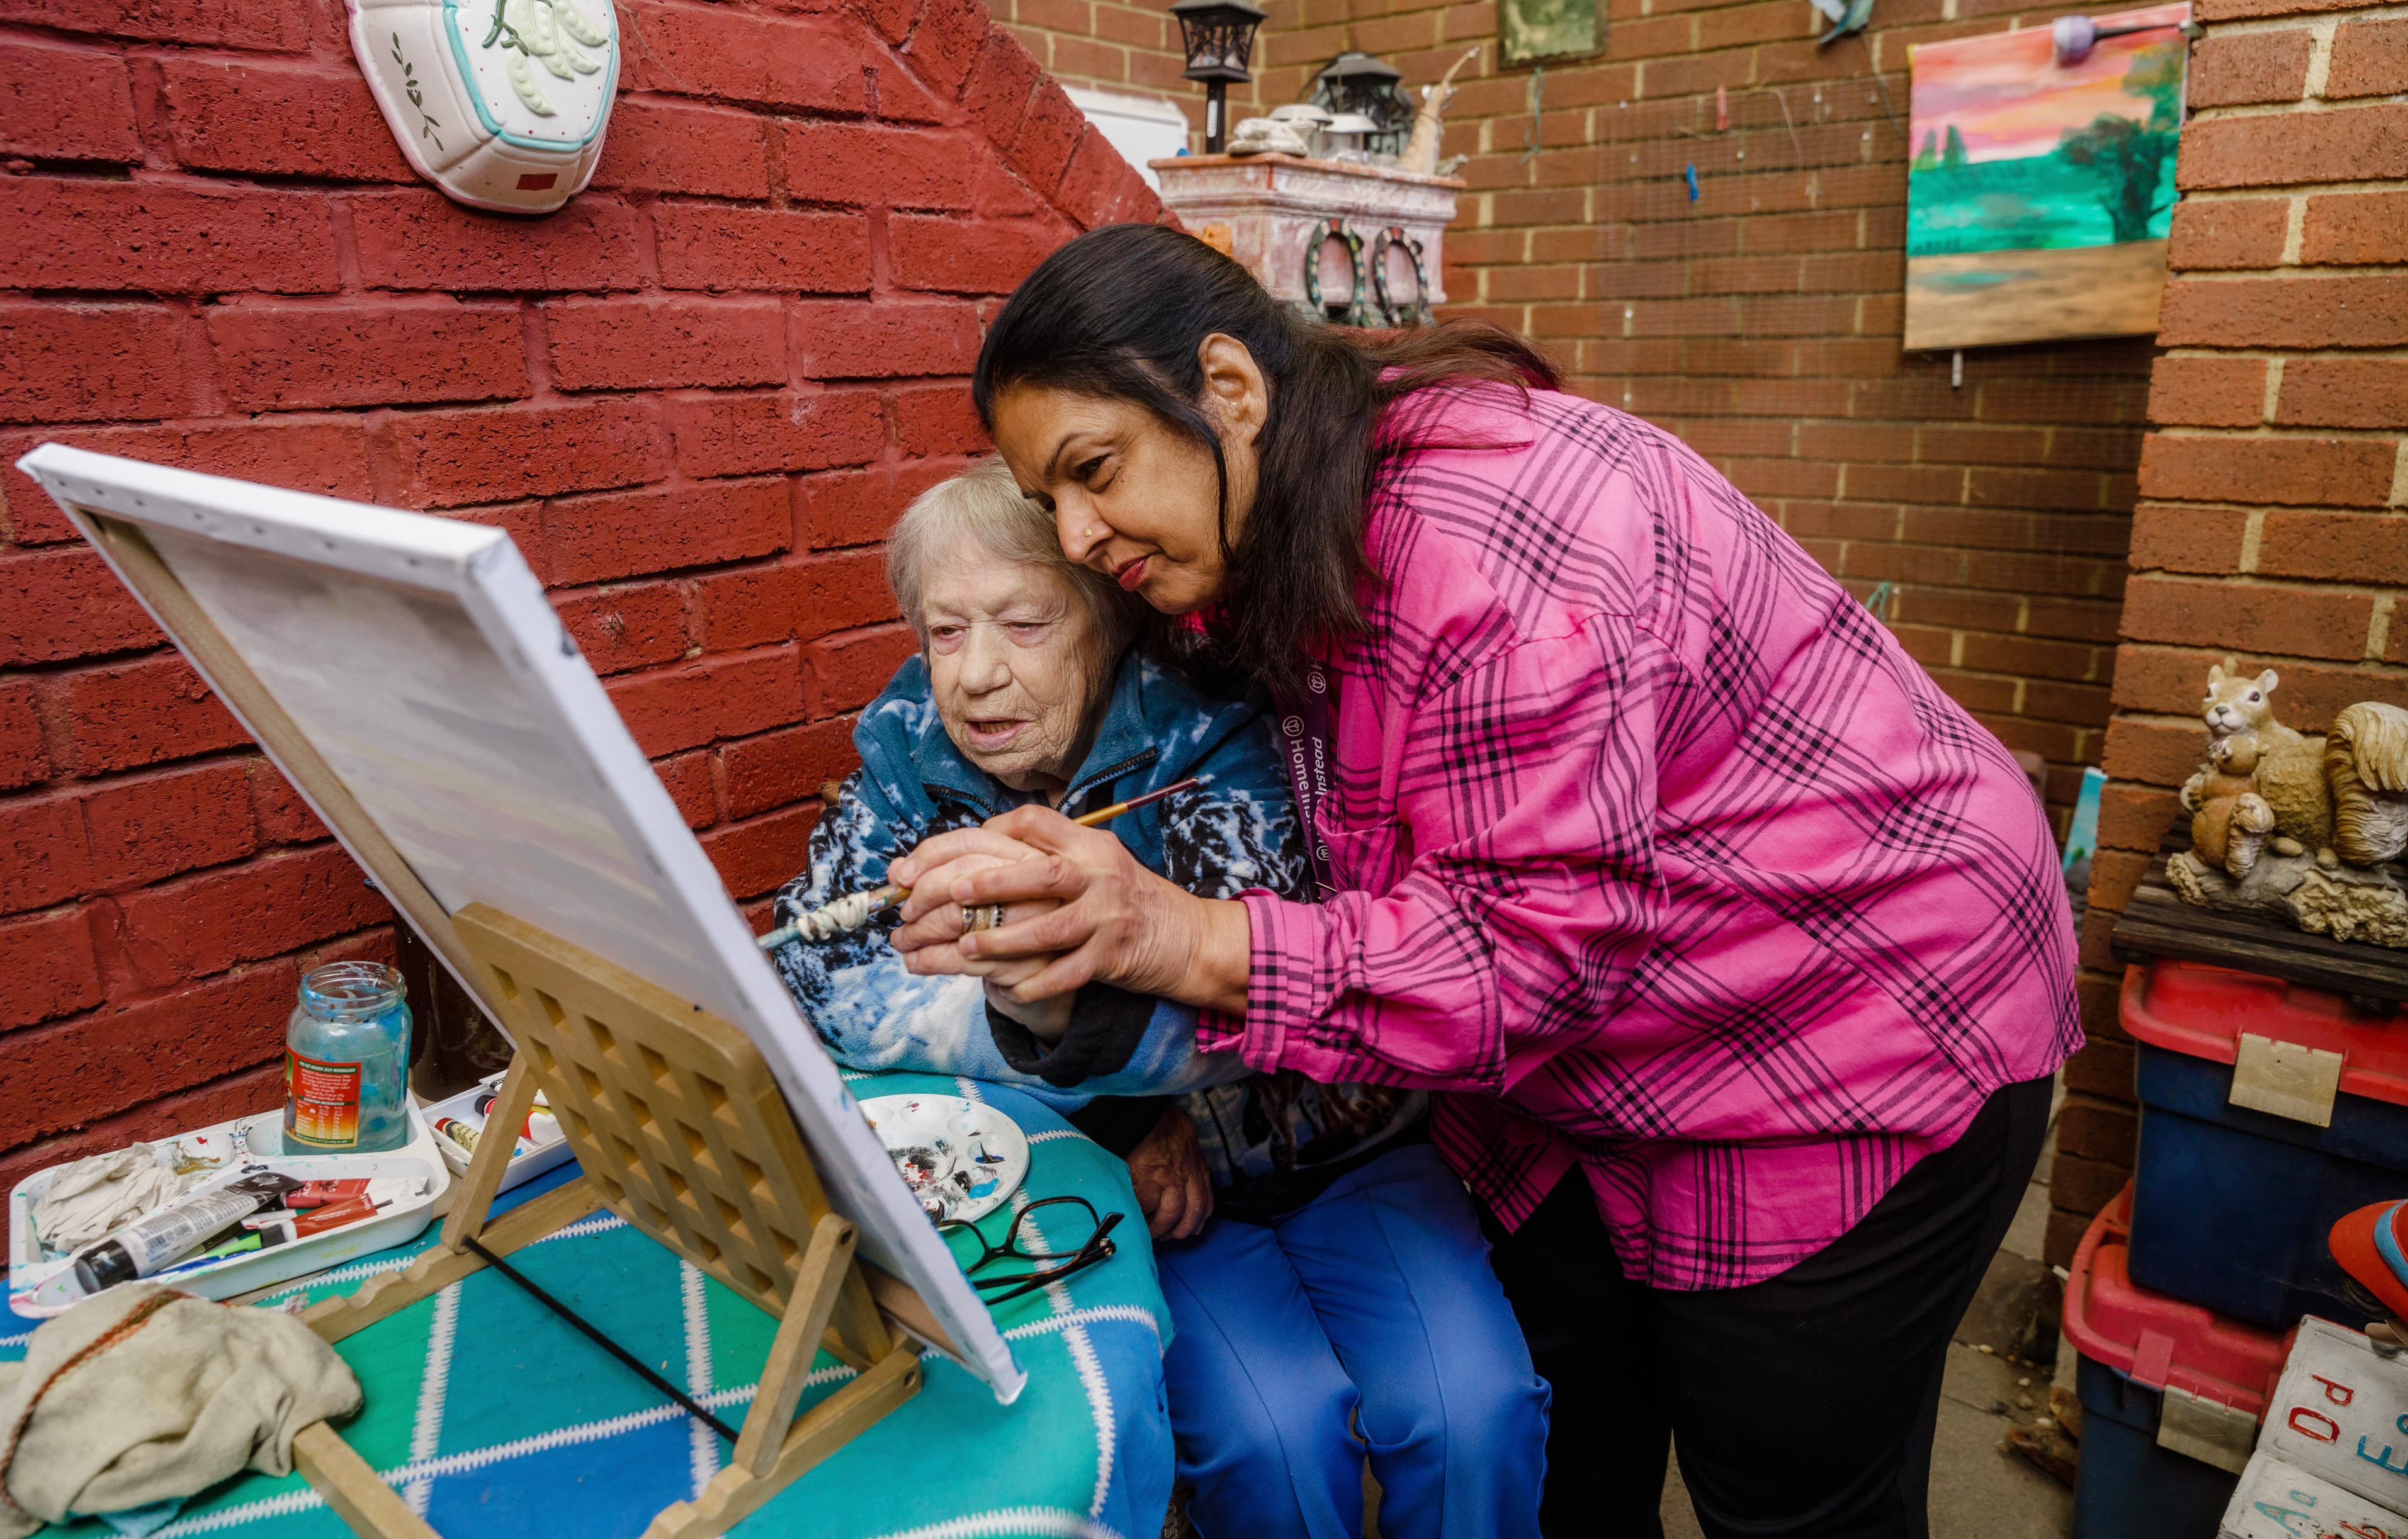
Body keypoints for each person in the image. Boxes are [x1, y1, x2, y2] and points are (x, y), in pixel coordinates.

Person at [883, 225, 2084, 1539]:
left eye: (1093, 472)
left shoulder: (1492, 567)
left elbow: (1524, 965)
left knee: (1790, 1490)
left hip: (1861, 1014)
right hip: (1594, 1058)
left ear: (1227, 389)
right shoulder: (1270, 508)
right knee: (1575, 1439)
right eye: (1046, 497)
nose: (1075, 531)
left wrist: (1174, 932)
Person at [768, 460, 1547, 1538]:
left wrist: (1075, 1023)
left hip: (1345, 1143)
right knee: (1272, 1439)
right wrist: (1110, 1099)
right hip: (1156, 1194)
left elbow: (1260, 989)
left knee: (1473, 1411)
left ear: (1105, 619)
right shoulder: (908, 753)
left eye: (1024, 624)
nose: (978, 676)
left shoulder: (1214, 729)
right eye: (946, 632)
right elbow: (823, 972)